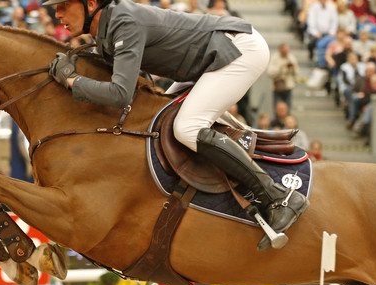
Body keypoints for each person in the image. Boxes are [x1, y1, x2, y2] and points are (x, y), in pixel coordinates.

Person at [44, 0, 309, 250]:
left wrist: (72, 82)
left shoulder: (123, 22)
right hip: (206, 60)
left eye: (64, 5)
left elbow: (120, 94)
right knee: (163, 120)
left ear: (91, 3)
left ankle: (279, 197)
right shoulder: (107, 28)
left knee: (187, 128)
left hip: (237, 50)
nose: (58, 14)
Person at [267, 43, 298, 108]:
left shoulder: (291, 58)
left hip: (288, 87)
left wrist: (293, 68)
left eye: (287, 51)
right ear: (280, 50)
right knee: (277, 108)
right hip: (277, 87)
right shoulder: (275, 58)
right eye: (284, 51)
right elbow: (270, 73)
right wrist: (281, 67)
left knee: (288, 108)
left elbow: (296, 73)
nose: (285, 53)